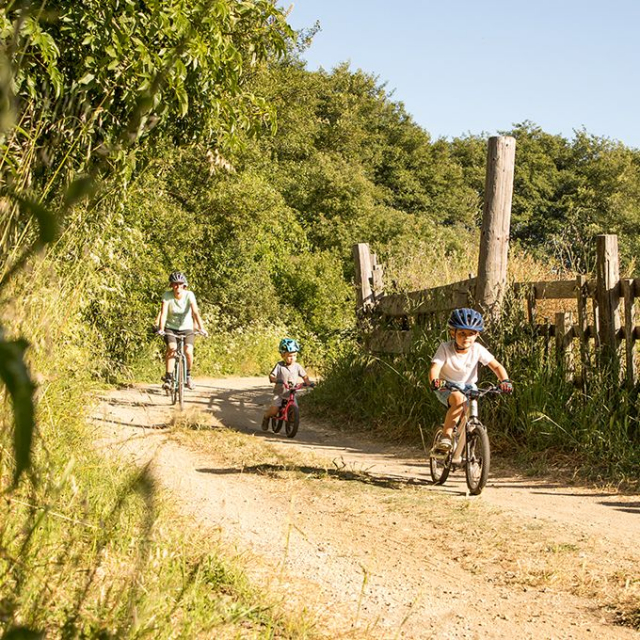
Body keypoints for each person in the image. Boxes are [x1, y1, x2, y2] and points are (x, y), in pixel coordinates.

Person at [429, 308, 512, 452]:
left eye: (471, 334)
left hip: (469, 387)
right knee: (458, 400)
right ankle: (446, 436)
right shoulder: (445, 348)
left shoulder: (477, 349)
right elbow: (435, 367)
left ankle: (467, 446)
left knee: (469, 414)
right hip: (446, 386)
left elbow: (496, 366)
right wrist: (435, 380)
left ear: (477, 335)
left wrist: (505, 381)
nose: (466, 338)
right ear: (452, 333)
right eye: (462, 333)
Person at [157, 271, 207, 390]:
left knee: (188, 351)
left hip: (187, 328)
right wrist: (161, 329)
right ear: (171, 285)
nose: (177, 287)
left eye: (180, 284)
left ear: (184, 285)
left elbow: (195, 312)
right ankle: (168, 379)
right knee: (172, 348)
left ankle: (188, 376)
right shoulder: (167, 296)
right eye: (175, 284)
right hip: (171, 328)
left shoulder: (189, 295)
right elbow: (163, 314)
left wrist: (201, 328)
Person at [261, 338, 314, 430]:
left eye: (294, 355)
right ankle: (266, 416)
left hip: (291, 393)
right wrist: (275, 379)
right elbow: (272, 375)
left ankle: (291, 424)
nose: (292, 358)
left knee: (295, 410)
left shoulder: (297, 366)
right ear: (283, 355)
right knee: (274, 410)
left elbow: (304, 376)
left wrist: (308, 383)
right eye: (289, 356)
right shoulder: (279, 366)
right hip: (279, 392)